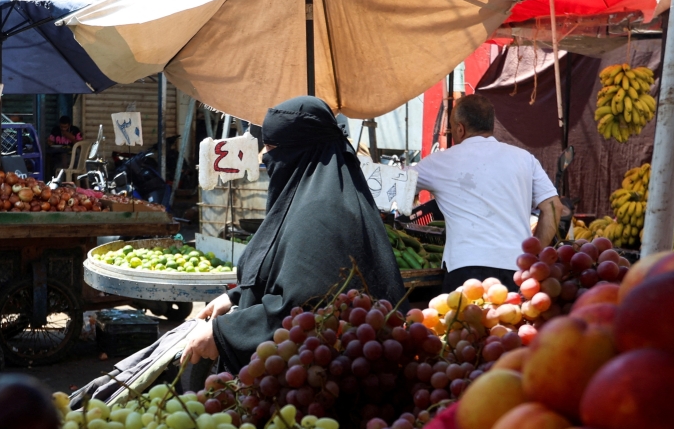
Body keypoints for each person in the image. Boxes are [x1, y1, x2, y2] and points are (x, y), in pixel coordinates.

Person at [183, 96, 406, 372]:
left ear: (301, 151)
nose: (266, 157)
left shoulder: (322, 213)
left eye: (273, 148)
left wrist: (223, 332)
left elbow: (302, 309)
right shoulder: (319, 195)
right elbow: (284, 272)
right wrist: (236, 296)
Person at [415, 94, 563, 292]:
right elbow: (553, 206)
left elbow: (394, 185)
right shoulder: (524, 159)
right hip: (517, 270)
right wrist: (536, 252)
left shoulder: (439, 162)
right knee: (512, 322)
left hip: (465, 271)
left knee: (465, 324)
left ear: (460, 129)